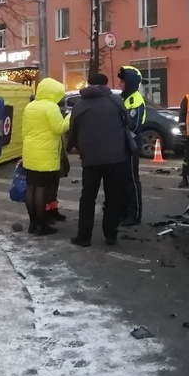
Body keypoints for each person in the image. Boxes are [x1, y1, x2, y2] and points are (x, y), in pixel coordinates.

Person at [66, 73, 129, 247]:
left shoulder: (80, 104)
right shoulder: (115, 101)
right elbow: (128, 122)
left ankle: (84, 237)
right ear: (106, 84)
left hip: (91, 158)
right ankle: (110, 235)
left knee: (88, 197)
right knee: (113, 197)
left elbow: (72, 130)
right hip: (116, 157)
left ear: (89, 84)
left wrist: (71, 147)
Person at [21, 77, 71, 236]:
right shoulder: (51, 107)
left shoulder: (30, 106)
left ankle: (32, 224)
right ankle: (42, 225)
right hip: (46, 155)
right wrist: (70, 117)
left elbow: (24, 130)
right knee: (42, 190)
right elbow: (59, 128)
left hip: (30, 152)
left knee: (31, 189)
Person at [118, 65, 146, 227]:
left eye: (123, 81)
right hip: (123, 143)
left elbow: (134, 125)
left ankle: (134, 215)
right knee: (122, 180)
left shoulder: (135, 99)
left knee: (131, 180)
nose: (120, 84)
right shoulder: (125, 97)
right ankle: (124, 211)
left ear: (130, 82)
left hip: (131, 144)